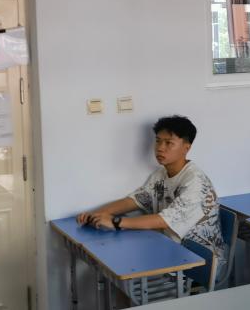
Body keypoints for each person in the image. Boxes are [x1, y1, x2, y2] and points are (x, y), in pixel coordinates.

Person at [76, 115, 227, 276]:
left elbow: (164, 220)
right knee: (113, 262)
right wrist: (98, 214)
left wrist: (115, 222)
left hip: (199, 264)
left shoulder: (195, 182)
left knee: (120, 267)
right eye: (158, 141)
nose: (160, 148)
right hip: (168, 249)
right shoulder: (161, 173)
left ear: (186, 147)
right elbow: (135, 200)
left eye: (169, 143)